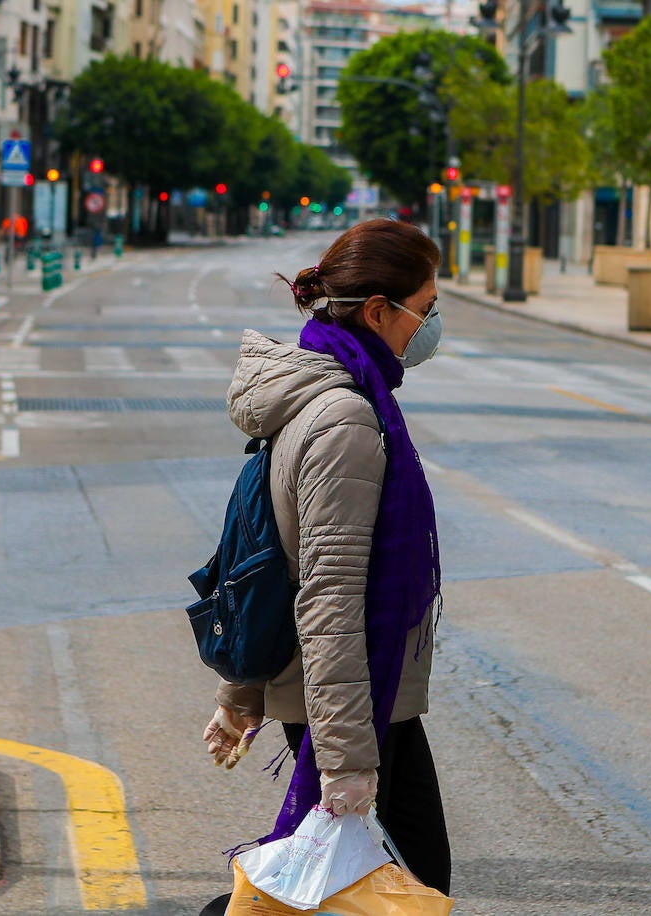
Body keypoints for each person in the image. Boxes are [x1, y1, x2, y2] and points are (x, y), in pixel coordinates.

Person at [202, 218, 450, 895]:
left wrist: (241, 694)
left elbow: (264, 554)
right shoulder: (344, 418)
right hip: (349, 702)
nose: (430, 328)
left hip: (363, 696)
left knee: (374, 889)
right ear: (378, 311)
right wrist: (344, 760)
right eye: (425, 310)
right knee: (358, 893)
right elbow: (329, 593)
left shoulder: (319, 393)